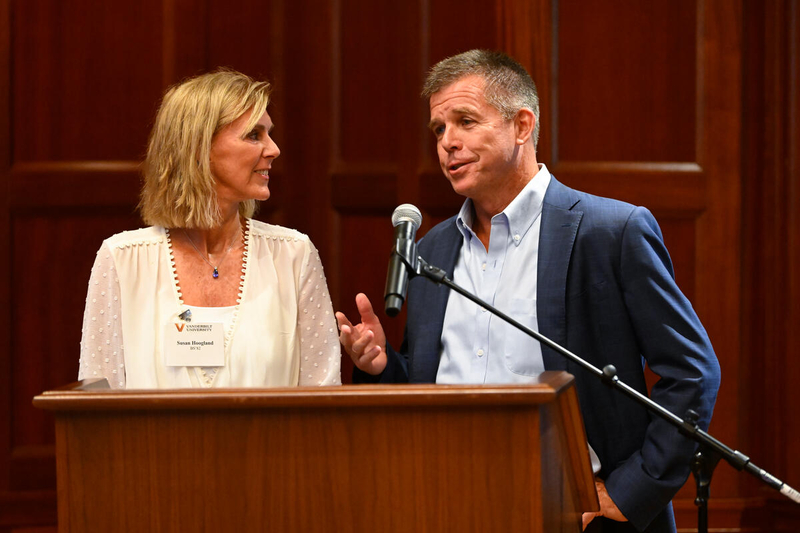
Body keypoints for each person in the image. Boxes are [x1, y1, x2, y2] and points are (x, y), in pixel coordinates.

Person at [336, 50, 720, 532]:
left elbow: (692, 371)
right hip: (447, 506)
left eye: (465, 121)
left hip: (575, 515)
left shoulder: (610, 231)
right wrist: (380, 366)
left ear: (521, 125)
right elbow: (429, 382)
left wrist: (632, 493)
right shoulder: (432, 248)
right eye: (438, 129)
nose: (447, 143)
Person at [78, 69, 340, 389]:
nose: (273, 149)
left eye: (269, 134)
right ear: (200, 146)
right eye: (254, 135)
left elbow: (321, 395)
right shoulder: (122, 260)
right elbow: (97, 404)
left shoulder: (293, 255)